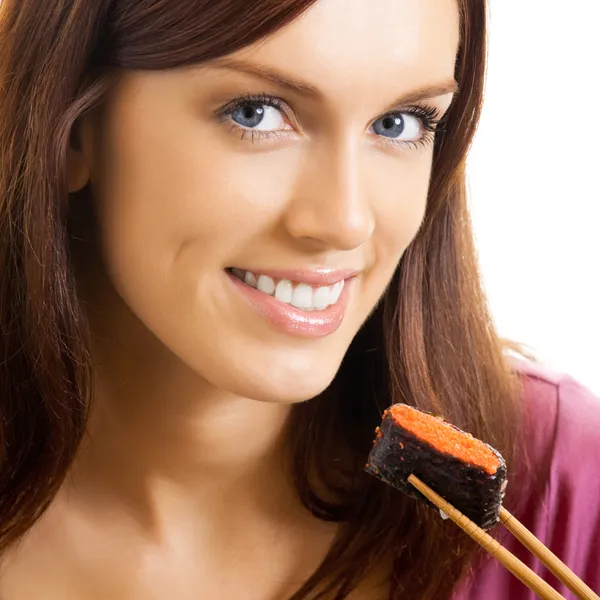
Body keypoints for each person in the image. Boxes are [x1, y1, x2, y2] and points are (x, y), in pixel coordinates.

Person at [0, 0, 598, 598]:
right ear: (74, 126)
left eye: (400, 123)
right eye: (256, 113)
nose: (345, 221)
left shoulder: (563, 485)